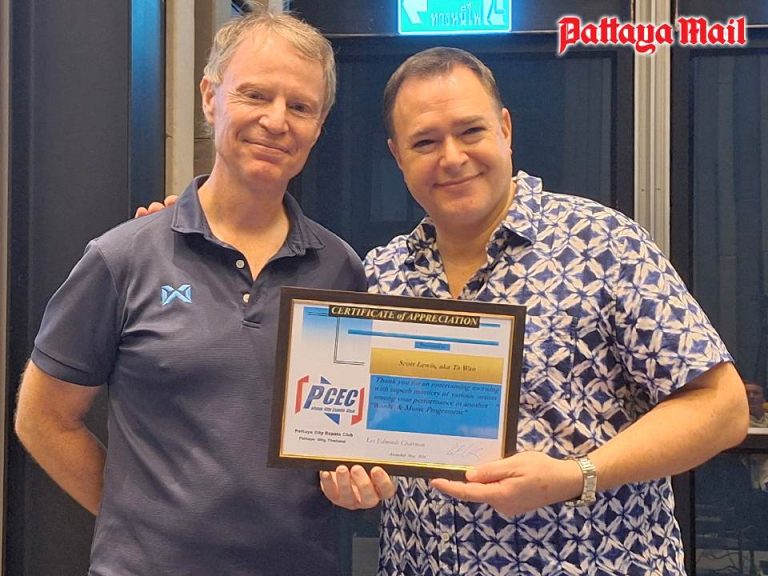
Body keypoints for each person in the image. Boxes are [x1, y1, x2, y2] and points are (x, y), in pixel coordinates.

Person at [318, 47, 749, 575]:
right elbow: (354, 433)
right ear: (397, 156)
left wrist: (577, 475)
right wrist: (350, 476)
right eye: (425, 142)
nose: (451, 157)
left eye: (471, 131)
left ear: (505, 129)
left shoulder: (601, 244)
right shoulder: (381, 277)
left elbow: (723, 407)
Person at [14, 10, 371, 576]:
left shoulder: (341, 269)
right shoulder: (122, 257)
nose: (276, 121)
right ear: (210, 97)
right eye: (255, 94)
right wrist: (136, 525)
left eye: (301, 106)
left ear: (319, 126)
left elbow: (348, 434)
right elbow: (43, 418)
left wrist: (361, 479)